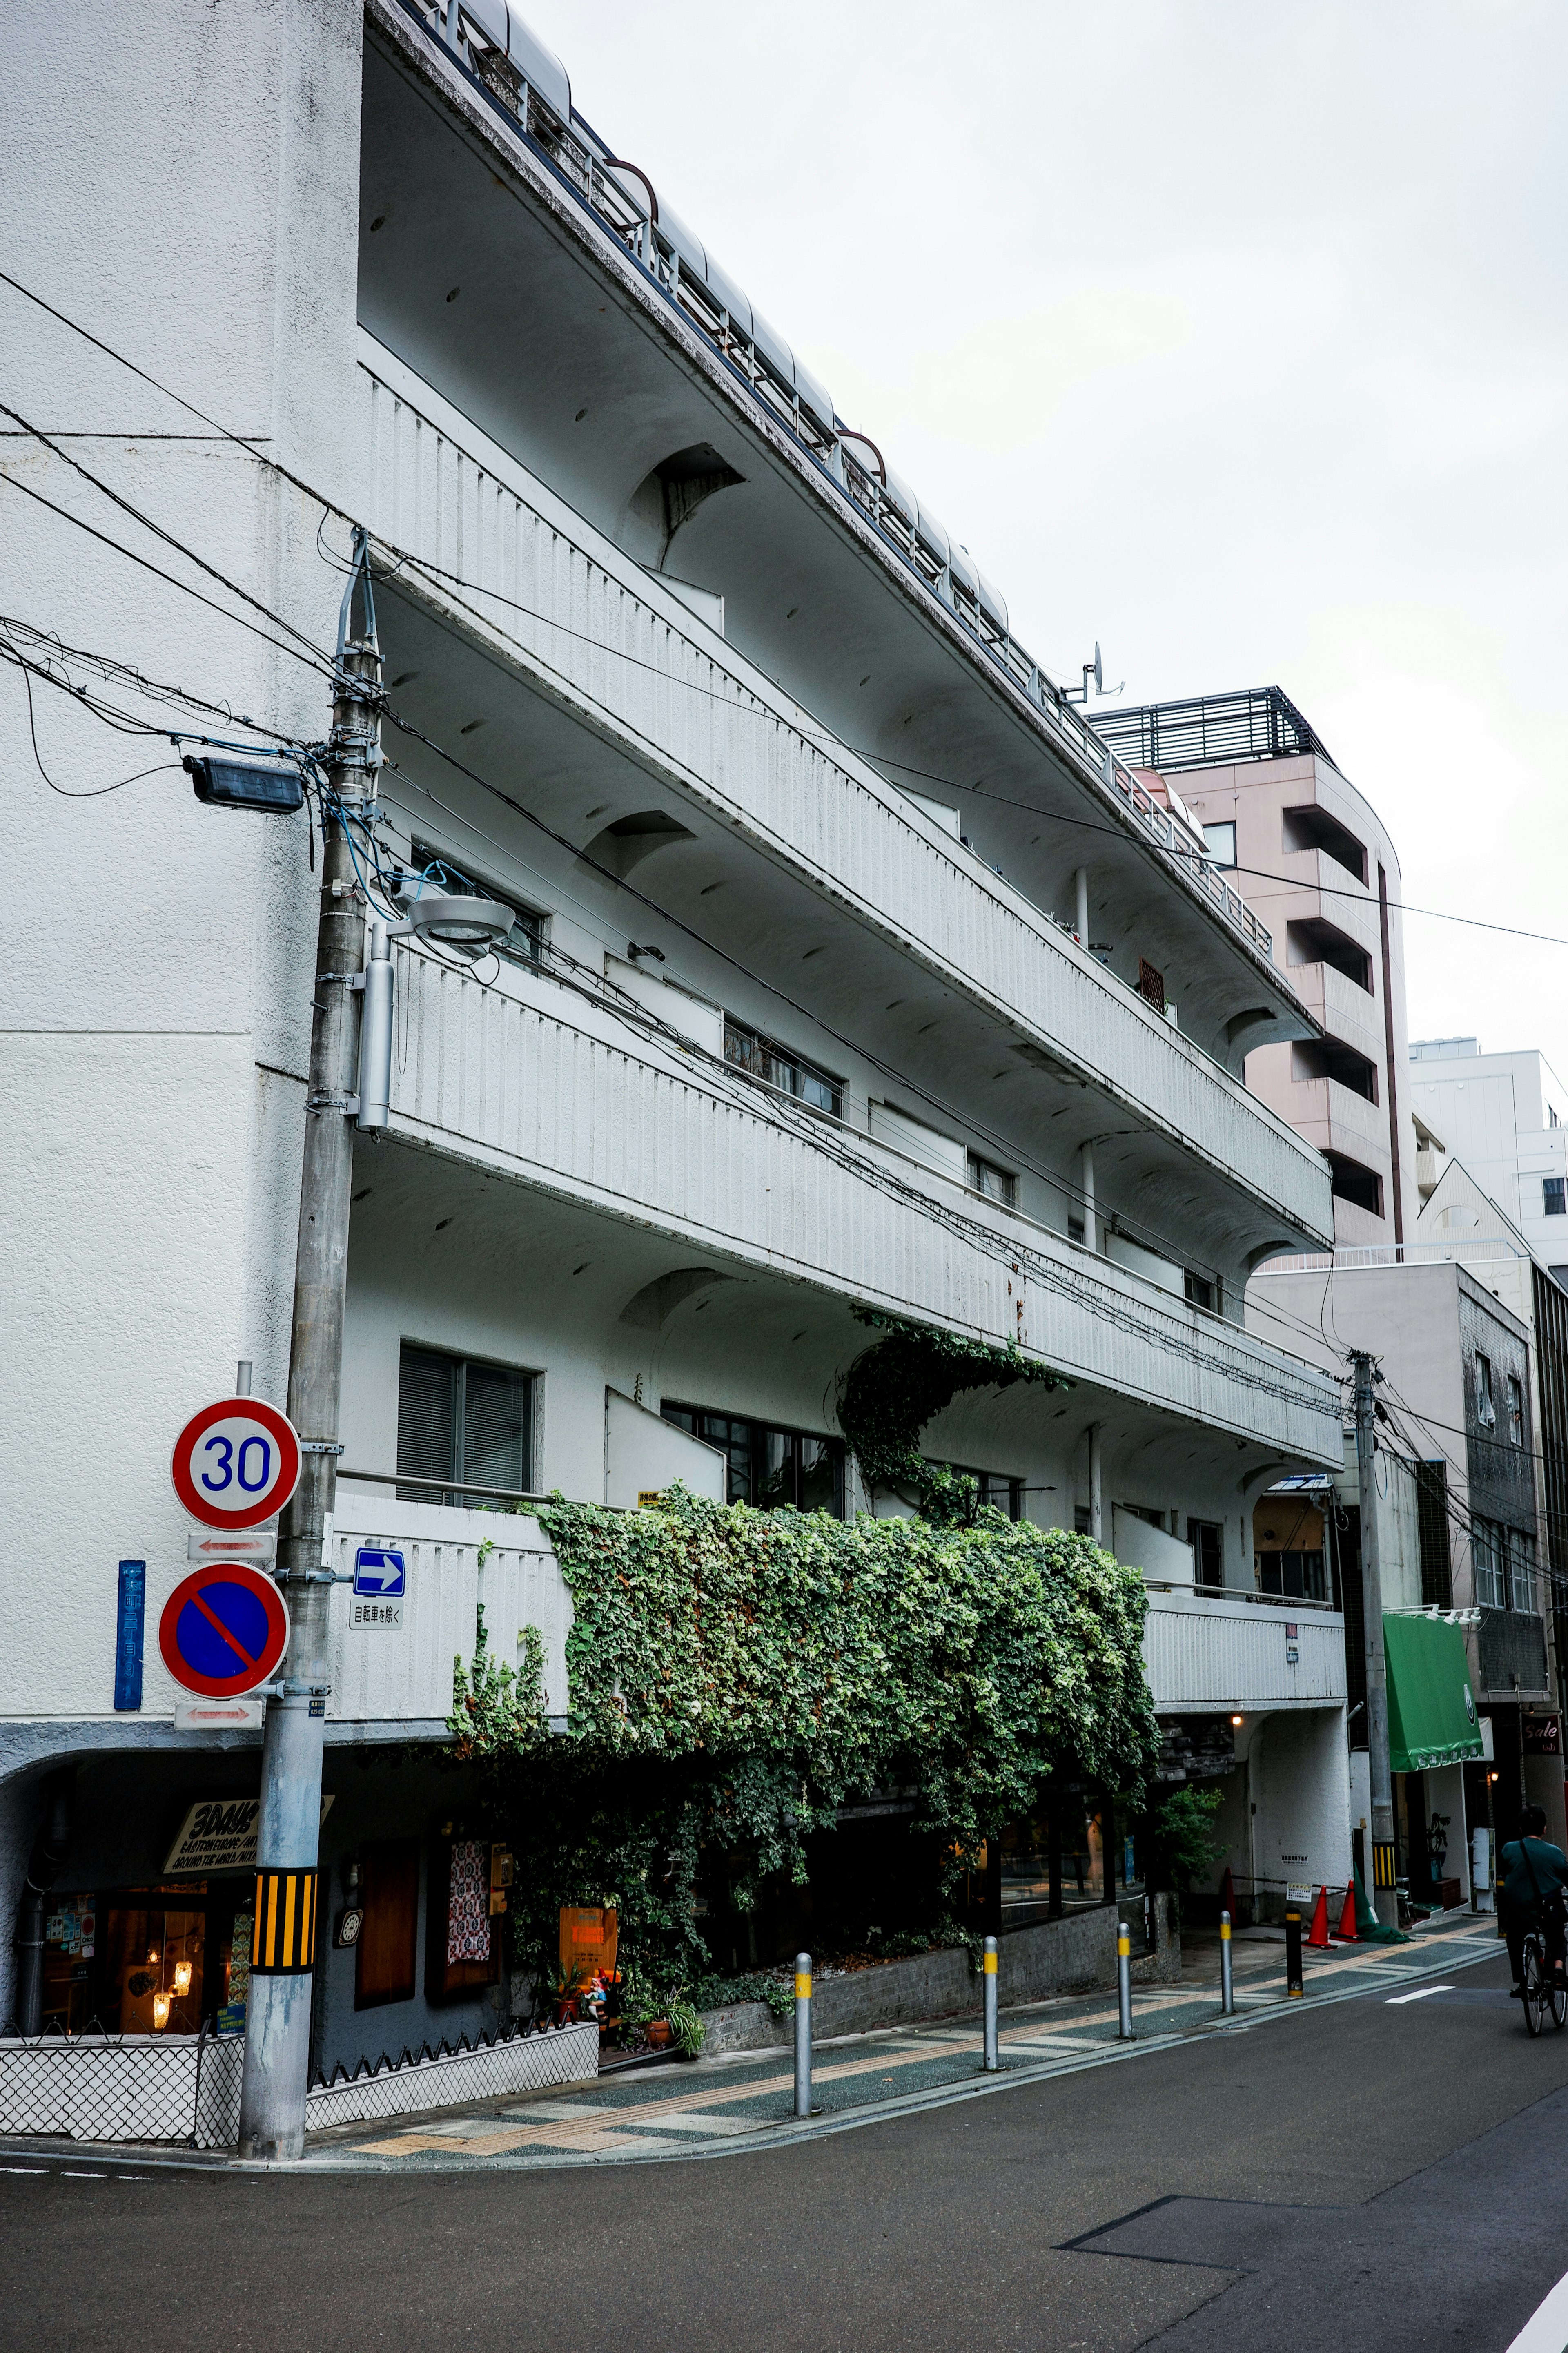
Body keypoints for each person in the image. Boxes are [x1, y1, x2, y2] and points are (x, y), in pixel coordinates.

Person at [1498, 1805, 1568, 1997]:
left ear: (1521, 1829)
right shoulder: (1555, 1853)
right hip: (1548, 1912)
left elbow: (1505, 1873)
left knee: (1513, 1938)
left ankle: (1522, 1982)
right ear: (1545, 1828)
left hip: (1519, 1913)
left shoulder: (1509, 1850)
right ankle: (1558, 1969)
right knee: (1558, 1938)